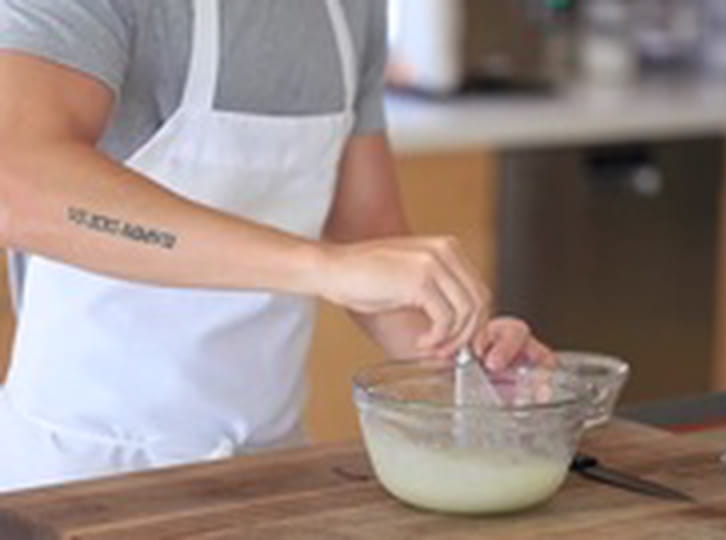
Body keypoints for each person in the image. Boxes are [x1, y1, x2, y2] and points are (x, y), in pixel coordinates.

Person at [0, 0, 552, 492]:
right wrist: (322, 267)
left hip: (269, 472)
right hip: (84, 474)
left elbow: (367, 234)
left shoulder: (350, 9)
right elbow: (17, 186)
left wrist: (471, 368)